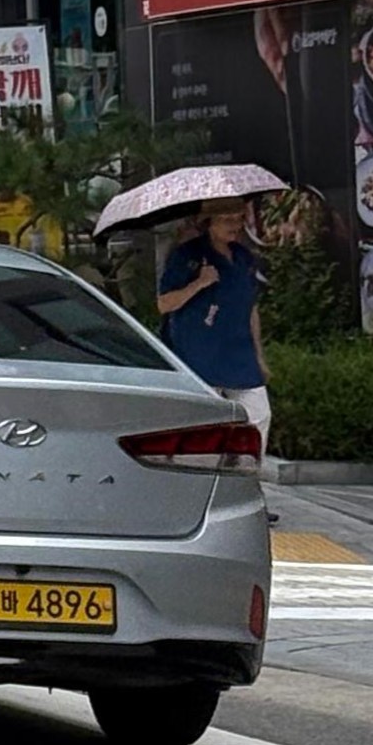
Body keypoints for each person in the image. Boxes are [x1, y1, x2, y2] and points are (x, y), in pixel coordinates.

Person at [156, 197, 277, 522]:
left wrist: (259, 356)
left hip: (238, 354)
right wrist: (200, 283)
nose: (234, 226)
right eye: (226, 220)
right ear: (208, 222)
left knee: (258, 417)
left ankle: (246, 491)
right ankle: (196, 496)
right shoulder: (187, 256)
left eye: (238, 219)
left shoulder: (244, 258)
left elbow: (251, 309)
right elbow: (164, 304)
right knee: (205, 428)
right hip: (198, 354)